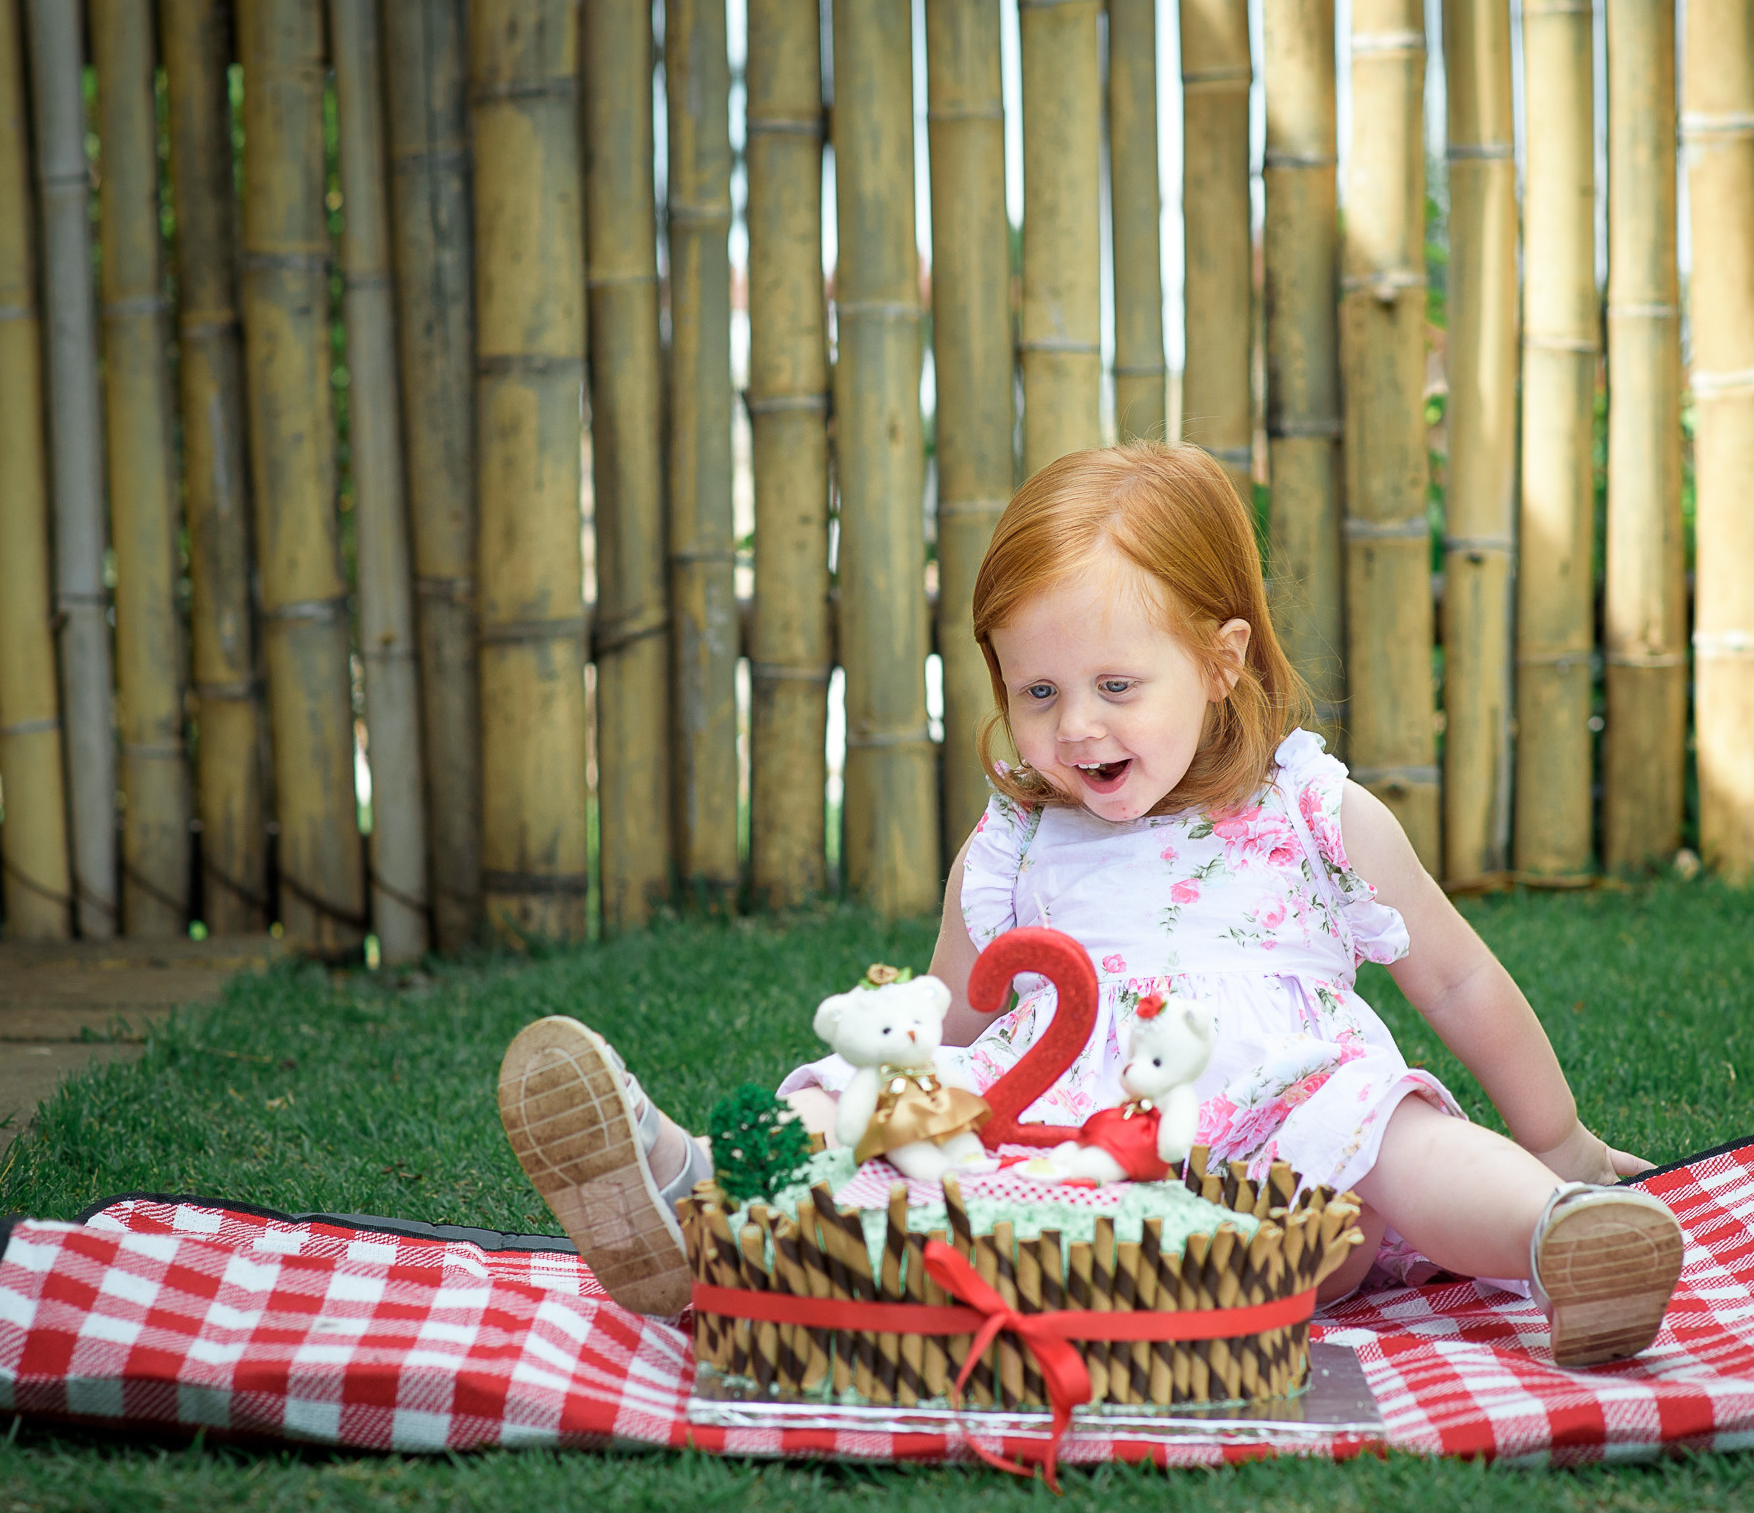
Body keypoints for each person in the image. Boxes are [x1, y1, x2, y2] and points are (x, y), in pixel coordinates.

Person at [498, 441, 1684, 1365]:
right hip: (1067, 1174)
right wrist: (889, 1086)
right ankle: (686, 1184)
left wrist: (1556, 1129)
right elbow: (954, 1021)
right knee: (895, 1126)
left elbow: (1459, 978)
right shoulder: (1016, 843)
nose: (1076, 727)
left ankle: (1560, 1237)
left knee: (1405, 1144)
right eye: (1040, 690)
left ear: (1222, 662)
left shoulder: (1313, 813)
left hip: (1288, 1166)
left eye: (1118, 685)